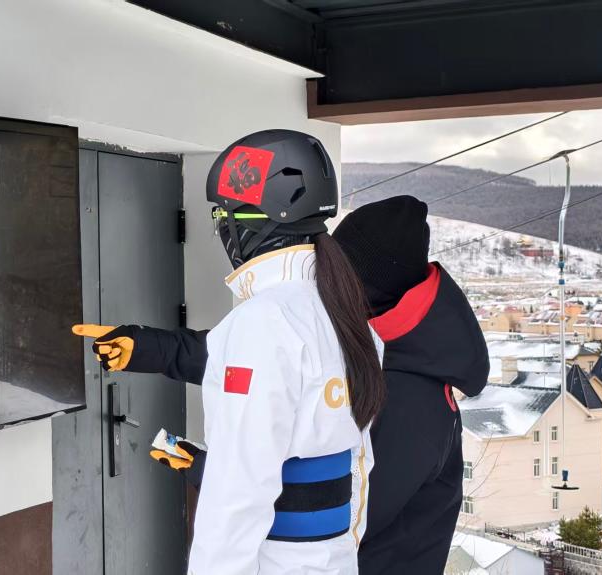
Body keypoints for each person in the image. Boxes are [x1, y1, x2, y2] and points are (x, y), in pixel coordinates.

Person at [75, 195, 489, 574]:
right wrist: (149, 348)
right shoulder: (360, 336)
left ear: (364, 286)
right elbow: (269, 363)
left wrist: (216, 472)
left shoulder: (416, 402)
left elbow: (346, 506)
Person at [92, 129, 387, 574]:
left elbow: (236, 493)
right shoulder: (345, 313)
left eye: (221, 214)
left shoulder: (263, 321)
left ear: (249, 223)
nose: (220, 229)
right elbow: (360, 465)